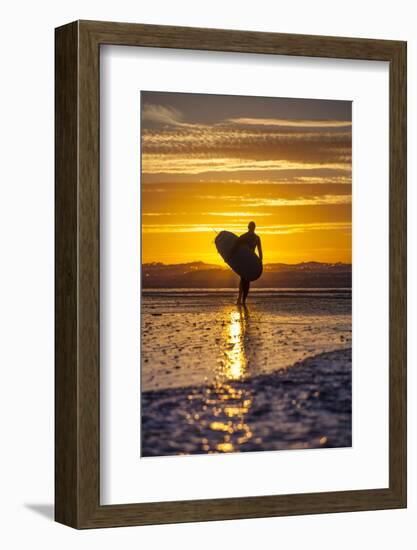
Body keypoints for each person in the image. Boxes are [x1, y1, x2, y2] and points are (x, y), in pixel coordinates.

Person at [228, 221, 263, 305]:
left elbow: (260, 250)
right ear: (249, 227)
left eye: (252, 227)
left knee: (246, 280)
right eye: (251, 227)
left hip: (250, 261)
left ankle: (241, 299)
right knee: (244, 279)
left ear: (253, 227)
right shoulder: (245, 237)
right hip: (244, 261)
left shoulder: (256, 238)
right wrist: (230, 256)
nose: (251, 228)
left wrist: (259, 262)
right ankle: (241, 299)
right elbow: (236, 246)